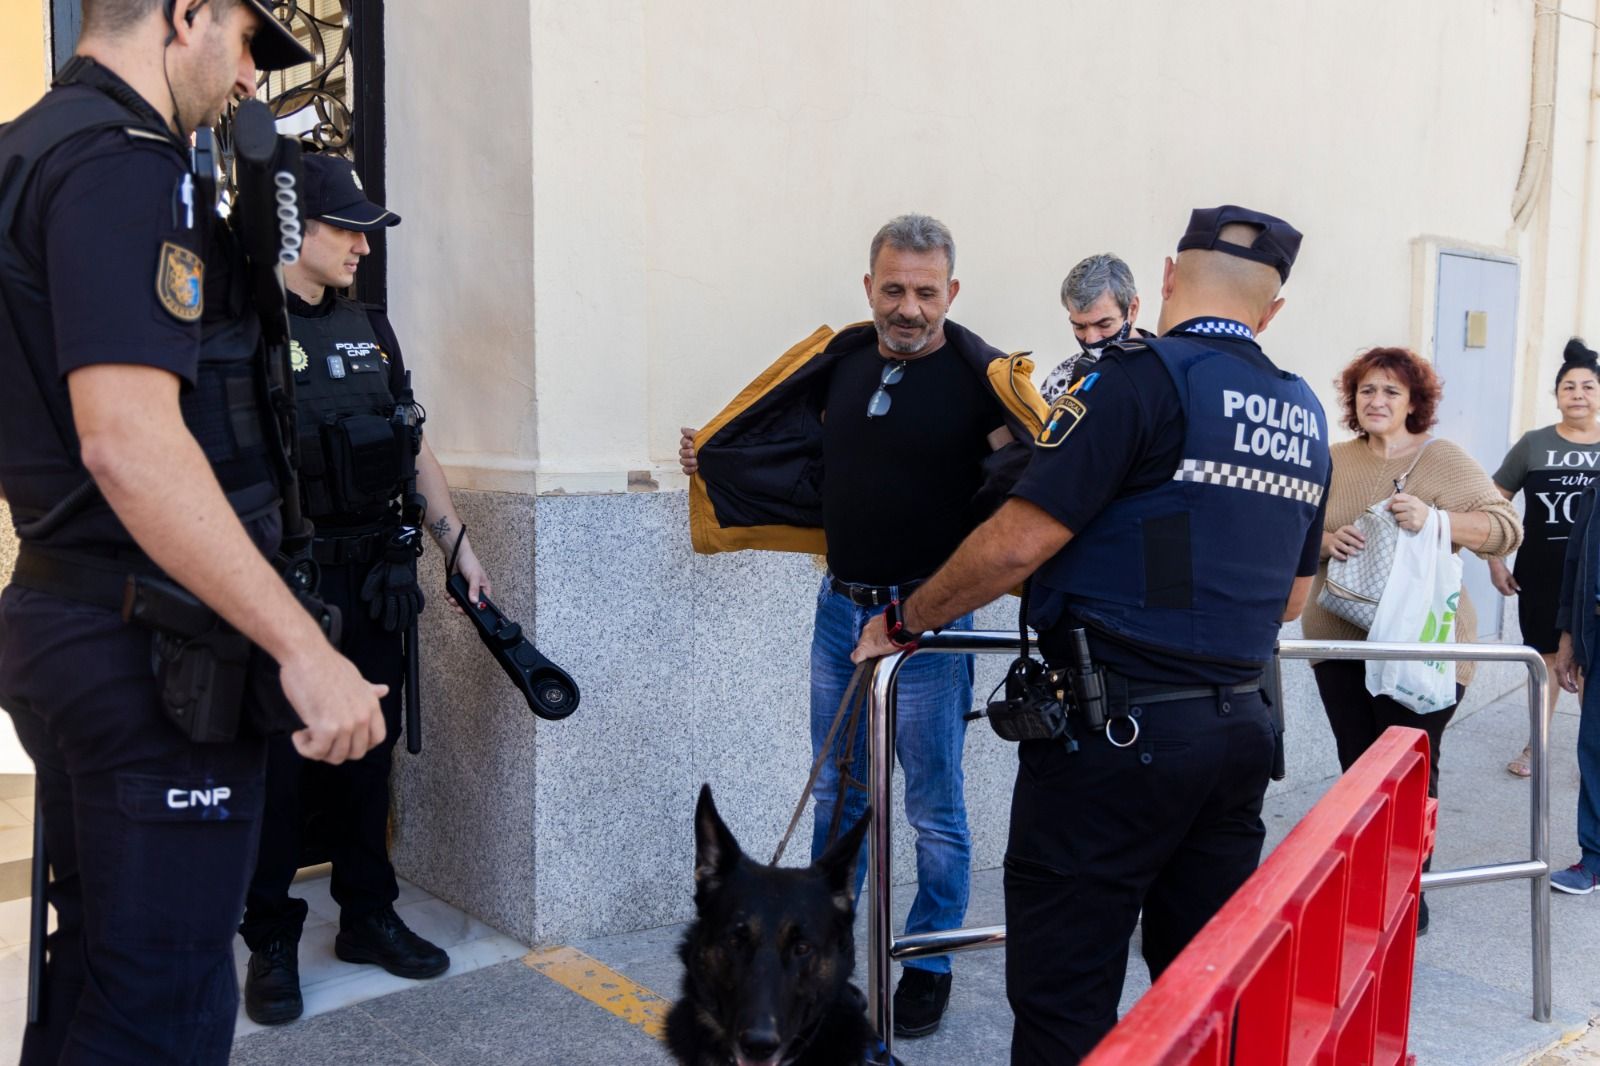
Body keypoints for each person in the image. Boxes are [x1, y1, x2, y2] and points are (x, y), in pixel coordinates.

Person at [0, 2, 388, 1061]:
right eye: (249, 45)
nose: (253, 81)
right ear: (185, 15)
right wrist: (303, 649)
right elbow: (127, 443)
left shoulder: (25, 151)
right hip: (149, 653)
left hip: (67, 613)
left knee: (93, 981)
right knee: (161, 1014)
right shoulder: (126, 162)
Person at [854, 205, 1327, 1064]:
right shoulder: (1303, 411)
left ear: (1170, 281)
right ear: (1272, 310)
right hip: (1240, 737)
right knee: (1202, 990)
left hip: (1119, 740)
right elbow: (1293, 597)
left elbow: (1022, 538)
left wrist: (904, 619)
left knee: (1065, 995)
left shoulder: (1135, 378)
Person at [680, 214, 1047, 1038]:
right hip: (839, 609)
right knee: (840, 794)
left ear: (951, 292)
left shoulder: (974, 375)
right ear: (869, 287)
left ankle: (929, 961)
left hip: (928, 621)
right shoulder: (844, 360)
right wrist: (719, 456)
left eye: (925, 291)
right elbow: (797, 453)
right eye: (893, 289)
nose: (908, 307)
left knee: (932, 805)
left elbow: (1020, 475)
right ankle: (826, 958)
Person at [239, 153, 493, 1025]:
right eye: (345, 227)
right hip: (285, 583)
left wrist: (457, 546)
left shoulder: (374, 329)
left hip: (376, 577)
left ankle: (366, 913)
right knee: (277, 761)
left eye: (366, 229)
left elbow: (412, 441)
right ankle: (268, 933)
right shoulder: (247, 326)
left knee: (368, 752)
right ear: (292, 228)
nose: (361, 245)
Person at [1303, 346, 1520, 928]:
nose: (1376, 401)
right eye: (1366, 391)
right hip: (1341, 641)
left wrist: (1438, 520)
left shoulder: (1441, 459)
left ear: (1414, 403)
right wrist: (1326, 542)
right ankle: (1367, 884)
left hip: (1425, 647)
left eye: (1390, 393)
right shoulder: (1331, 460)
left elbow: (1505, 529)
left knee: (1408, 771)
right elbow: (1289, 526)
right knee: (1358, 767)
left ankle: (1405, 894)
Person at [1492, 339, 1600, 777]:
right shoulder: (1533, 444)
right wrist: (1495, 560)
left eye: (1588, 386)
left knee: (1591, 666)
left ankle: (1591, 760)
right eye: (1568, 387)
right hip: (1540, 573)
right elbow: (1494, 501)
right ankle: (1536, 746)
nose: (1577, 394)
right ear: (1556, 396)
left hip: (1594, 579)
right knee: (1548, 661)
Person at [1551, 482, 1600, 893]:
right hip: (1595, 630)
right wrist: (1567, 639)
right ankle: (1595, 861)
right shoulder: (1596, 486)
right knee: (1596, 748)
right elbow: (1574, 564)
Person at [1039, 253, 1148, 402]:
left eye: (1104, 324)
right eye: (1079, 326)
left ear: (1133, 309)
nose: (1091, 339)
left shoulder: (1165, 370)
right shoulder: (1061, 378)